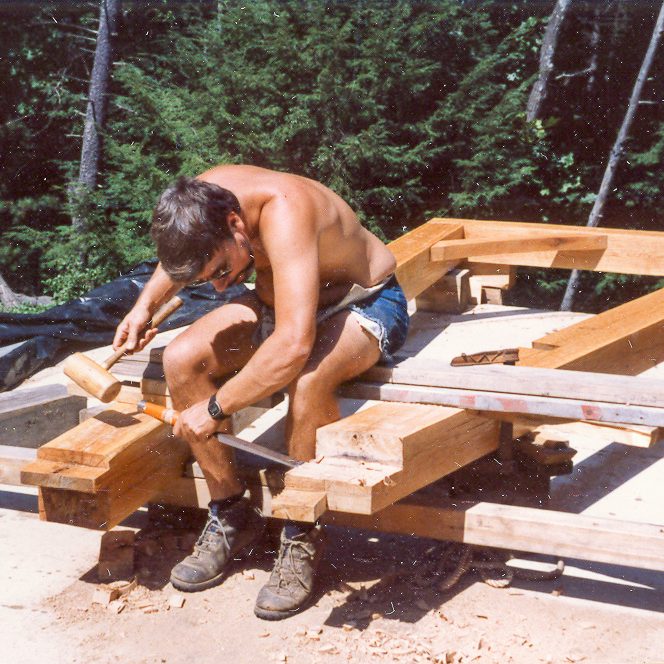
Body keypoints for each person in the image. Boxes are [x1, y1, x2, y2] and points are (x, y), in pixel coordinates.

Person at [113, 164, 409, 619]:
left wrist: (215, 408)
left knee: (307, 377)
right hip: (284, 302)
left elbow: (292, 346)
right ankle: (230, 512)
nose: (217, 285)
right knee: (181, 358)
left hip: (362, 302)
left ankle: (300, 533)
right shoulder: (204, 199)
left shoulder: (285, 211)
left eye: (220, 270)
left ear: (235, 225)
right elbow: (178, 261)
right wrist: (142, 308)